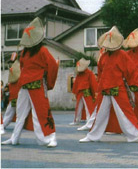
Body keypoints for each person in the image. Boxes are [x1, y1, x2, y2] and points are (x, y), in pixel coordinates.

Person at [79, 26, 138, 143]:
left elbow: (131, 71)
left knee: (126, 113)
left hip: (118, 88)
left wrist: (131, 85)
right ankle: (92, 136)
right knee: (99, 114)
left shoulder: (123, 55)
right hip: (105, 89)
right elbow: (100, 74)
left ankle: (137, 135)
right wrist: (99, 89)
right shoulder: (103, 57)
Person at [2, 17, 59, 147]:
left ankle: (51, 138)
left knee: (41, 112)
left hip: (38, 84)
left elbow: (53, 66)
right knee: (20, 113)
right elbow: (22, 67)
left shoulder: (43, 51)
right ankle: (14, 138)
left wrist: (48, 83)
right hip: (25, 85)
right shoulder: (24, 53)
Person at [70, 58, 98, 126]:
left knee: (88, 107)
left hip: (86, 92)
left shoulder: (89, 73)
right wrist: (74, 93)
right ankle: (76, 120)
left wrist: (95, 93)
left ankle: (89, 121)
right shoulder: (79, 74)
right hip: (80, 92)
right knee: (78, 107)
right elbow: (76, 83)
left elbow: (93, 84)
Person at [2, 54, 21, 131]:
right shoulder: (16, 68)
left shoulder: (15, 68)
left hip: (15, 95)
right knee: (14, 111)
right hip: (15, 95)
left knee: (10, 111)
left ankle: (3, 124)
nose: (10, 63)